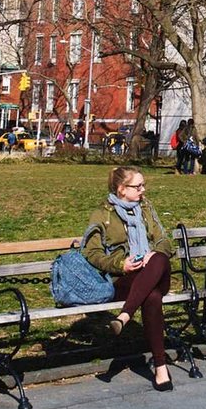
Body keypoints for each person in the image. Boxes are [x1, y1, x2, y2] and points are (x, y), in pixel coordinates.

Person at [83, 166, 177, 390]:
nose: (143, 190)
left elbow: (164, 240)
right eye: (138, 186)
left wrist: (154, 253)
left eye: (143, 185)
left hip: (155, 273)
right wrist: (120, 264)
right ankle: (161, 368)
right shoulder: (103, 214)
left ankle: (124, 315)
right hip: (124, 279)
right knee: (152, 297)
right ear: (121, 189)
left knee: (159, 259)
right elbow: (91, 253)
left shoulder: (145, 208)